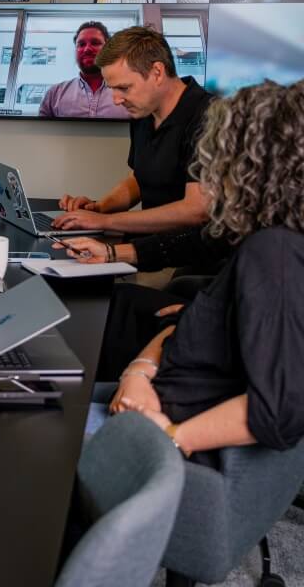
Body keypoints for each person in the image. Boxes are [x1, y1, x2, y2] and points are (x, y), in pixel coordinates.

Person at [101, 79, 304, 465]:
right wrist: (138, 374)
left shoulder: (274, 253)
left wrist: (171, 438)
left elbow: (280, 411)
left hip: (162, 450)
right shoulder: (271, 240)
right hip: (147, 405)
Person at [54, 25, 213, 234]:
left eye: (123, 88)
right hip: (150, 248)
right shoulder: (142, 112)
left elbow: (196, 210)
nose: (116, 100)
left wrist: (105, 222)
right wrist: (98, 208)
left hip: (190, 258)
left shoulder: (210, 117)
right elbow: (140, 179)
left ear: (157, 72)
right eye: (112, 89)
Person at [37, 21, 129, 120]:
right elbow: (41, 133)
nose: (87, 49)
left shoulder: (130, 92)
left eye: (95, 43)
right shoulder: (55, 94)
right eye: (81, 44)